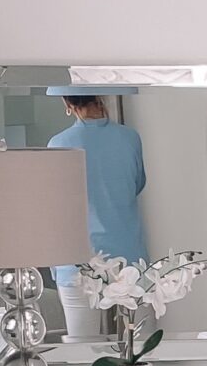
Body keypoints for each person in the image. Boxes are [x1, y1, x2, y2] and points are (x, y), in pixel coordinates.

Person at [47, 90, 147, 279]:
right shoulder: (130, 138)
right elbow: (136, 185)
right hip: (128, 259)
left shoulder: (58, 144)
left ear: (67, 103)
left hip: (75, 264)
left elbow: (55, 206)